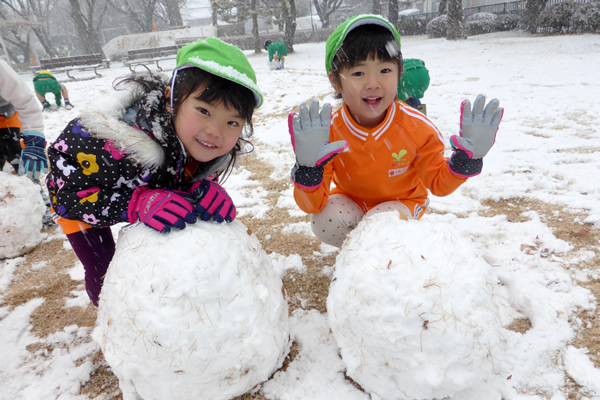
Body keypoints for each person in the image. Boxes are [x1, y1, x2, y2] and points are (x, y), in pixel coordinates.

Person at [45, 37, 263, 306]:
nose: (215, 132)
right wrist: (134, 202)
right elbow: (68, 199)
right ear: (172, 100)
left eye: (232, 121)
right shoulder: (111, 142)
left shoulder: (203, 141)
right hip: (83, 193)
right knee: (104, 271)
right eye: (204, 110)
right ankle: (114, 319)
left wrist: (199, 188)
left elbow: (187, 167)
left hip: (147, 181)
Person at [288, 15, 503, 248]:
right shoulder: (328, 131)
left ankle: (387, 255)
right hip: (352, 202)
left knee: (381, 227)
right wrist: (308, 172)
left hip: (402, 202)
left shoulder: (416, 127)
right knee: (325, 220)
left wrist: (465, 163)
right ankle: (357, 253)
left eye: (385, 70)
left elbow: (439, 184)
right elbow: (312, 205)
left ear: (399, 74)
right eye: (359, 73)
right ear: (335, 81)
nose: (373, 83)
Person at [0, 59, 53, 227]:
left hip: (5, 122)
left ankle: (40, 206)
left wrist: (34, 142)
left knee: (23, 165)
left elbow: (25, 102)